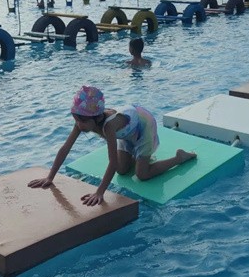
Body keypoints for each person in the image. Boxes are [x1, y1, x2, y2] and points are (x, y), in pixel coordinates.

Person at [28, 86, 197, 206]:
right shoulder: (83, 121)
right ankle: (140, 156)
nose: (79, 124)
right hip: (126, 132)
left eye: (82, 120)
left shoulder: (108, 126)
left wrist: (99, 192)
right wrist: (50, 177)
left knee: (142, 174)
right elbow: (66, 148)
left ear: (96, 117)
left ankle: (179, 158)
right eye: (76, 119)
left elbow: (112, 161)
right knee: (122, 170)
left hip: (143, 125)